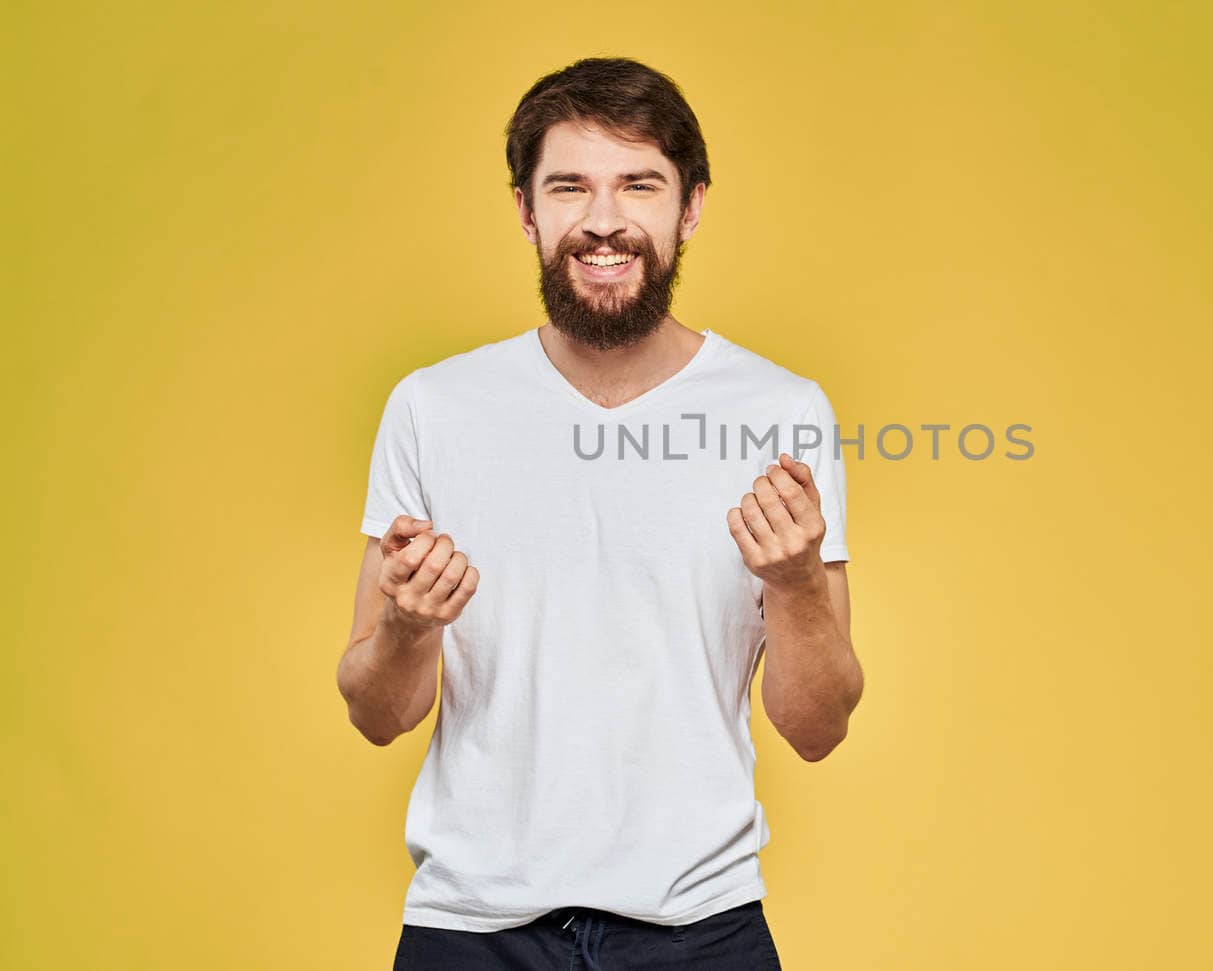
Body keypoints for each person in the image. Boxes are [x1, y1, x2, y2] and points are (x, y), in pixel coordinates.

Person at [336, 57, 864, 970]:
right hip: (472, 928)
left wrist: (795, 584)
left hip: (703, 931)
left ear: (691, 206)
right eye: (571, 185)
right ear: (526, 209)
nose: (605, 220)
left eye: (640, 184)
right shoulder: (433, 407)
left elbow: (818, 728)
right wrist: (408, 628)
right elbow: (377, 714)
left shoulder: (782, 413)